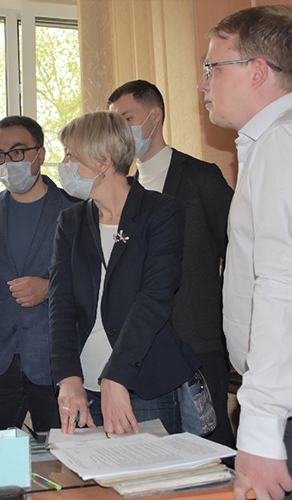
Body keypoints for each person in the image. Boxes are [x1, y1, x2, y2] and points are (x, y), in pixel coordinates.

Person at [50, 110, 200, 435]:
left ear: (103, 160)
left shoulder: (161, 213)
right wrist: (68, 378)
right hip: (82, 389)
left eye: (70, 155)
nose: (63, 164)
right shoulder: (71, 222)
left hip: (141, 385)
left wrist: (116, 375)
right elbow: (60, 306)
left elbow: (154, 300)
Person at [107, 80, 235, 448]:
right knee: (156, 449)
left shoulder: (201, 177)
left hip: (198, 338)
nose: (122, 131)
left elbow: (239, 253)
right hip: (147, 345)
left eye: (127, 119)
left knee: (213, 444)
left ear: (155, 116)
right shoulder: (125, 190)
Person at [198, 5, 292, 499]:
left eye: (213, 68)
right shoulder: (268, 144)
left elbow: (282, 285)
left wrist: (260, 430)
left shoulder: (280, 142)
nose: (203, 84)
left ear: (257, 71)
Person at [0, 116, 74, 432]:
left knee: (62, 456)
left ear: (40, 154)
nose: (8, 162)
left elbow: (94, 281)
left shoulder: (75, 209)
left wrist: (49, 288)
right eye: (0, 154)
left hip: (57, 363)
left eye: (18, 152)